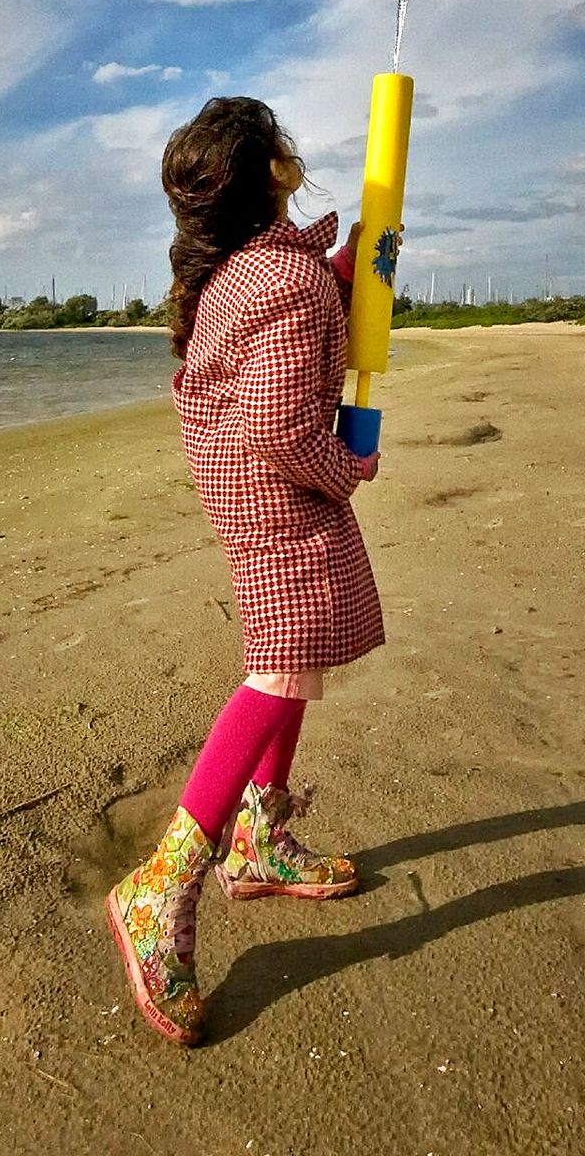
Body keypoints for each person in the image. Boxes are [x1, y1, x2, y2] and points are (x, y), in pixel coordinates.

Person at [106, 96, 384, 1047]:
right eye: (287, 149)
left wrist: (348, 275)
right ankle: (163, 881)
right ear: (274, 173)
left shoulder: (240, 275)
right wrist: (349, 465)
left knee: (294, 655)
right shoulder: (282, 283)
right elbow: (282, 422)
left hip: (239, 487)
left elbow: (274, 355)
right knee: (279, 666)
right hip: (278, 487)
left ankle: (260, 834)